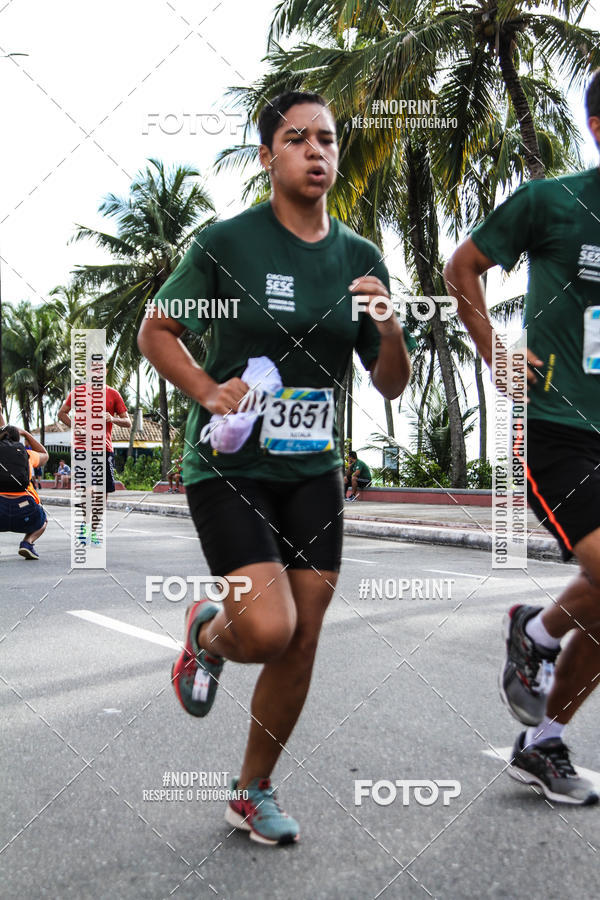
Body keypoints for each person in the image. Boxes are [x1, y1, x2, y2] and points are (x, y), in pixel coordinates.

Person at [139, 90, 412, 845]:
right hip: (228, 463)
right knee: (264, 629)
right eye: (298, 139)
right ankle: (209, 636)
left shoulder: (359, 259)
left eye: (326, 139)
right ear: (268, 156)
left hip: (312, 467)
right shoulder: (230, 244)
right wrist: (204, 387)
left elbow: (390, 382)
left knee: (305, 636)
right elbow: (154, 329)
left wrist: (388, 324)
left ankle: (251, 790)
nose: (317, 151)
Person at [443, 71, 600, 805]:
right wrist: (493, 349)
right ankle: (535, 637)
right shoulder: (552, 202)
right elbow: (462, 267)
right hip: (560, 428)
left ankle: (541, 742)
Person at [57, 375, 131, 497]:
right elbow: (61, 413)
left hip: (104, 448)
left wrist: (112, 418)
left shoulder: (113, 393)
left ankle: (98, 516)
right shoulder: (78, 392)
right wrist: (75, 427)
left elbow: (128, 422)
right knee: (87, 488)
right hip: (83, 448)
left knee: (103, 491)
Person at [0, 423, 49, 560]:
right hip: (25, 510)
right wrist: (27, 434)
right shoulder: (27, 454)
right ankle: (27, 543)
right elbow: (45, 454)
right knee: (43, 519)